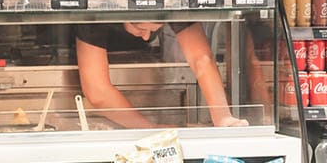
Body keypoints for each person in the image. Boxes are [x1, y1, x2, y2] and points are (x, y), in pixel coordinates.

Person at [73, 21, 248, 129]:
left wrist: (223, 117)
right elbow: (98, 93)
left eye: (156, 29)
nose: (146, 36)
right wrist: (148, 128)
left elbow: (201, 58)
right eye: (140, 28)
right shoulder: (98, 10)